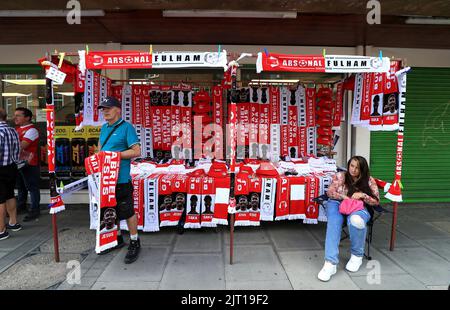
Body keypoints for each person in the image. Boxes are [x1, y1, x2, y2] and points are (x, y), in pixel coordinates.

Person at [318, 156, 380, 282]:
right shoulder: (340, 176)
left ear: (363, 169)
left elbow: (376, 201)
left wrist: (363, 195)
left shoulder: (368, 180)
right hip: (337, 203)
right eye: (352, 166)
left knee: (356, 220)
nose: (353, 169)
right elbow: (330, 192)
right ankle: (330, 263)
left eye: (357, 167)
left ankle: (357, 256)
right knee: (334, 222)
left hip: (358, 206)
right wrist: (344, 197)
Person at [97, 96, 142, 264]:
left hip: (121, 178)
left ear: (118, 109)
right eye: (103, 109)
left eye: (108, 108)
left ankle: (135, 241)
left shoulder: (126, 128)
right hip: (106, 179)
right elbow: (101, 149)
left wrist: (115, 156)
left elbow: (136, 151)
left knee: (127, 210)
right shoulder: (103, 128)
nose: (105, 111)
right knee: (111, 210)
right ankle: (116, 239)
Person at [14, 107, 41, 221]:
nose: (15, 118)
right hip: (18, 163)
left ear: (28, 118)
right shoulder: (17, 129)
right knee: (21, 187)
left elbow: (21, 146)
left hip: (30, 163)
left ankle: (35, 209)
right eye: (15, 115)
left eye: (18, 115)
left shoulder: (32, 130)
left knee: (32, 187)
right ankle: (21, 205)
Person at [0, 108, 22, 240]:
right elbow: (18, 149)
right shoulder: (12, 130)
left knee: (0, 199)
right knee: (9, 195)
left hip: (0, 168)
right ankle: (13, 222)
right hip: (12, 167)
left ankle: (1, 230)